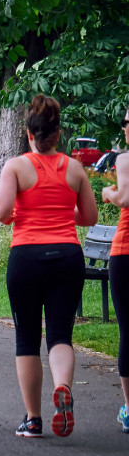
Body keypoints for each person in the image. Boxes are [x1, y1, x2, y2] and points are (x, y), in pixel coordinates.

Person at [0, 95, 98, 438]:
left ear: (29, 133)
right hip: (67, 255)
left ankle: (33, 419)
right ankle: (63, 387)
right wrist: (62, 211)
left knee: (26, 338)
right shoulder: (75, 168)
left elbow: (0, 212)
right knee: (60, 335)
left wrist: (14, 213)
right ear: (58, 132)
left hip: (27, 257)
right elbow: (90, 217)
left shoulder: (17, 167)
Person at [100, 105, 129, 433]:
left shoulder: (124, 159)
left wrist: (109, 192)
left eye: (126, 123)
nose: (123, 128)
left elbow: (124, 198)